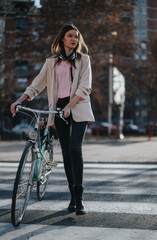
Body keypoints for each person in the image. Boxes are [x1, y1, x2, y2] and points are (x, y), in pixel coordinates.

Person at [10, 24, 95, 215]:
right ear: (62, 38)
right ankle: (72, 197)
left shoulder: (84, 60)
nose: (74, 39)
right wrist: (19, 100)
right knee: (65, 152)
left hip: (78, 106)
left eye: (76, 36)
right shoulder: (52, 62)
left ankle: (80, 198)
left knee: (75, 148)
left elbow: (85, 87)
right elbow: (37, 85)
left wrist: (69, 107)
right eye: (70, 36)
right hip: (58, 109)